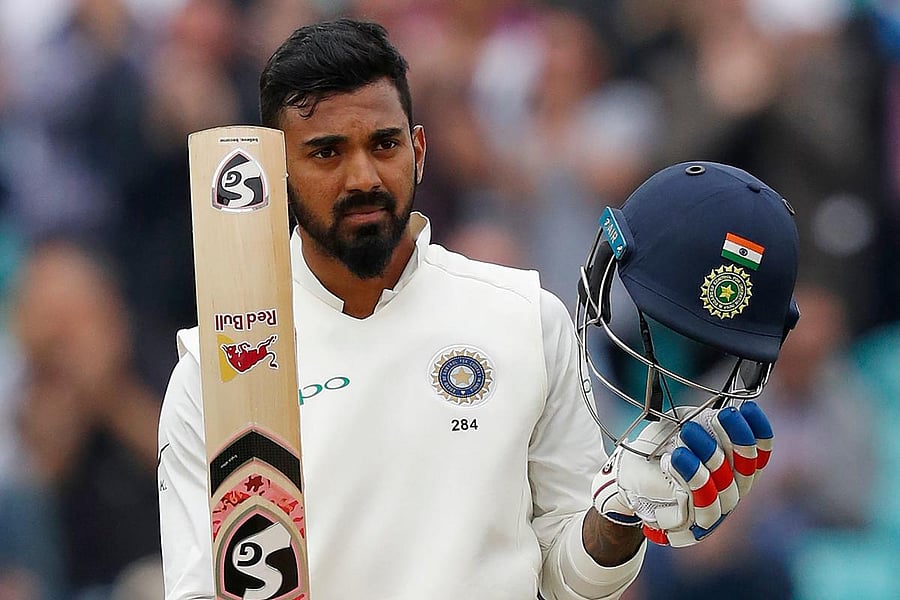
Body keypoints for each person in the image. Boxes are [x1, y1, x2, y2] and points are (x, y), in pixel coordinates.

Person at [157, 19, 799, 600]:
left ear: (419, 150)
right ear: (277, 174)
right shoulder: (217, 367)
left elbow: (570, 577)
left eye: (383, 145)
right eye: (326, 152)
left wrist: (622, 510)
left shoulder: (523, 317)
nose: (363, 178)